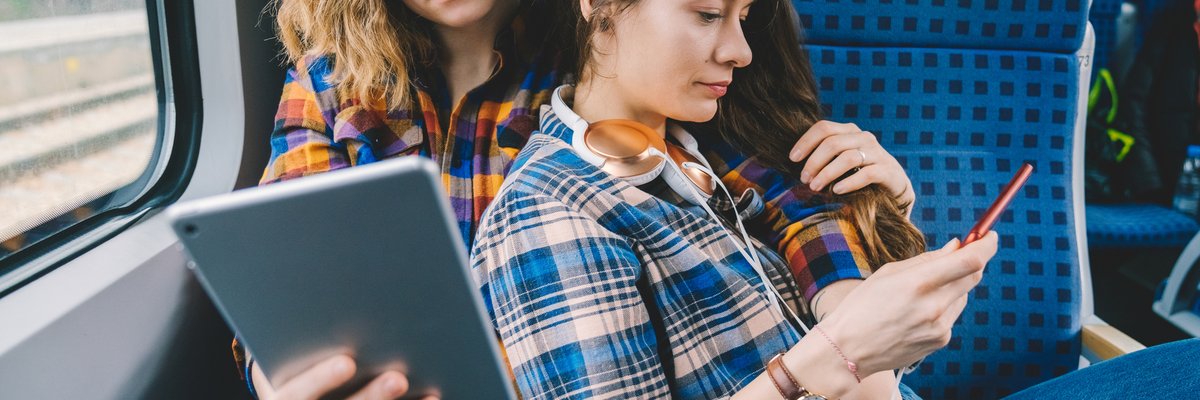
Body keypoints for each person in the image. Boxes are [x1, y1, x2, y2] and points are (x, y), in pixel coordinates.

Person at [244, 0, 918, 398]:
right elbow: (285, 274)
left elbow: (784, 194)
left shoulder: (609, 51)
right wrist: (284, 376)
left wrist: (854, 306)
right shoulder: (328, 87)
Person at [470, 0, 997, 398]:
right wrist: (832, 356)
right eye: (706, 13)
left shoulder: (716, 161)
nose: (740, 50)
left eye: (742, 16)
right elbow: (838, 361)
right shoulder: (549, 209)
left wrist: (887, 213)